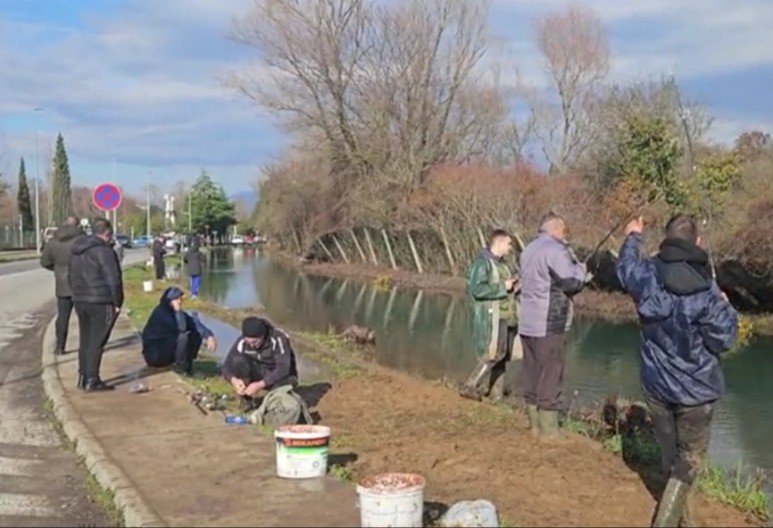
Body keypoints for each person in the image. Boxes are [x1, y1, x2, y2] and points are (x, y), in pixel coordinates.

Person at [616, 214, 737, 527]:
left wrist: (632, 236)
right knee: (688, 462)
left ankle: (685, 520)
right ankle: (667, 522)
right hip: (696, 393)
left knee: (672, 457)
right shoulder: (707, 292)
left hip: (657, 388)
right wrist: (726, 306)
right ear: (697, 242)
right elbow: (725, 339)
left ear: (666, 240)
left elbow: (625, 268)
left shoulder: (647, 274)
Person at [518, 212, 588, 439]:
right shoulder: (555, 250)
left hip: (526, 320)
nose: (565, 237)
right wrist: (582, 269)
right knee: (551, 372)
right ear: (556, 230)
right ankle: (549, 431)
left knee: (531, 371)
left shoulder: (528, 250)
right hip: (549, 322)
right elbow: (571, 283)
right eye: (564, 232)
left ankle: (534, 425)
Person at [459, 229, 520, 402]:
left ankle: (496, 396)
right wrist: (503, 287)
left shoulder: (503, 265)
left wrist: (513, 286)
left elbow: (504, 288)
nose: (510, 248)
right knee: (493, 354)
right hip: (493, 316)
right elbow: (477, 290)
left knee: (502, 357)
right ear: (499, 243)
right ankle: (470, 386)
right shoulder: (482, 263)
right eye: (508, 244)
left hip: (507, 316)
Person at [221, 316, 310, 426]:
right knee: (237, 361)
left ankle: (271, 409)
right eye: (248, 342)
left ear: (263, 335)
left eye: (255, 342)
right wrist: (234, 380)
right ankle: (246, 402)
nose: (251, 345)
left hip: (282, 376)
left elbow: (284, 367)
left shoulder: (278, 338)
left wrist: (260, 384)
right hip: (259, 372)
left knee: (283, 399)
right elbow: (226, 367)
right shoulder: (242, 342)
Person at [69, 218, 124, 392]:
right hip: (101, 301)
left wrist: (76, 294)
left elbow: (70, 276)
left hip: (80, 300)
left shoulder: (77, 251)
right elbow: (113, 280)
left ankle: (83, 376)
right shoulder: (105, 252)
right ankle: (92, 379)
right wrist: (117, 302)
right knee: (97, 341)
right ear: (107, 233)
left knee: (85, 340)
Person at [141, 287, 217, 375]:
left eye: (180, 299)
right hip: (154, 354)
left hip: (166, 348)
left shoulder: (174, 312)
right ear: (170, 301)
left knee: (195, 334)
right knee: (183, 337)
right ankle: (179, 368)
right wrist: (178, 311)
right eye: (177, 299)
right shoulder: (161, 313)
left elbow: (193, 323)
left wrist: (208, 335)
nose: (180, 302)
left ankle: (187, 367)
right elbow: (182, 328)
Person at [40, 216, 84, 355]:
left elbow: (44, 262)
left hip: (62, 283)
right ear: (78, 225)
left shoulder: (53, 241)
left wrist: (57, 269)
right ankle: (86, 346)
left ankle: (60, 346)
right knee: (84, 317)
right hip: (81, 282)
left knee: (63, 316)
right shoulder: (82, 240)